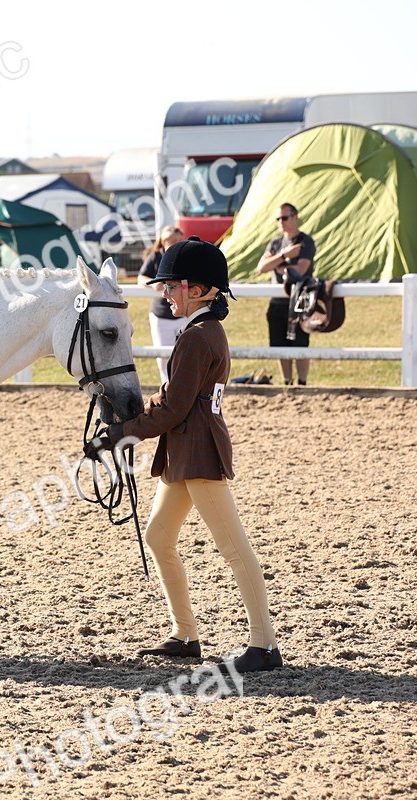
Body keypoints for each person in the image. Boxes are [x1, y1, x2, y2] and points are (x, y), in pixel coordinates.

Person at [90, 236, 283, 674]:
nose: (164, 293)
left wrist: (120, 434)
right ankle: (185, 634)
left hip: (197, 453)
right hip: (183, 451)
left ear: (196, 289)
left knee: (235, 549)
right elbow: (174, 398)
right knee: (159, 536)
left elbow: (175, 407)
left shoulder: (198, 337)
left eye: (171, 286)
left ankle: (264, 645)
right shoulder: (200, 331)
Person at [256, 202, 315, 385]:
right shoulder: (275, 244)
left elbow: (300, 270)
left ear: (295, 217)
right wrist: (283, 256)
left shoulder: (306, 241)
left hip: (299, 301)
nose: (281, 222)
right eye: (278, 218)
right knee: (279, 345)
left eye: (285, 217)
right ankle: (287, 383)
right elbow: (261, 268)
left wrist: (276, 264)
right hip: (277, 302)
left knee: (300, 344)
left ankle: (302, 383)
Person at [137, 225, 185, 384]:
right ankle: (167, 387)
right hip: (161, 314)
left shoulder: (185, 256)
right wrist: (152, 285)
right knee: (163, 356)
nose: (178, 244)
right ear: (164, 242)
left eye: (180, 241)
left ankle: (181, 385)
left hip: (183, 312)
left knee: (184, 353)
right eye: (174, 241)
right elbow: (141, 277)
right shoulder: (156, 257)